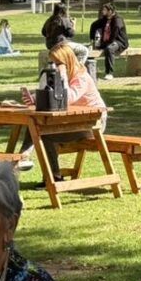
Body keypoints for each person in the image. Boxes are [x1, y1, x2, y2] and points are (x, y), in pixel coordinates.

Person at [20, 42, 108, 183]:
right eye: (52, 63)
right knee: (34, 124)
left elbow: (68, 99)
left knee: (45, 134)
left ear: (66, 61)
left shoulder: (81, 77)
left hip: (93, 123)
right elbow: (52, 94)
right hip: (74, 121)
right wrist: (34, 99)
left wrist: (62, 77)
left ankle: (53, 175)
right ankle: (24, 157)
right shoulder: (62, 76)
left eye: (57, 63)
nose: (54, 67)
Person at [90, 3, 129, 80]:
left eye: (104, 10)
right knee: (95, 48)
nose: (102, 11)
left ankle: (109, 73)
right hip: (108, 41)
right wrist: (92, 39)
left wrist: (105, 45)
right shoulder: (105, 19)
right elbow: (94, 25)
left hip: (119, 41)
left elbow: (114, 35)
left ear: (110, 11)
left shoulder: (118, 20)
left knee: (109, 49)